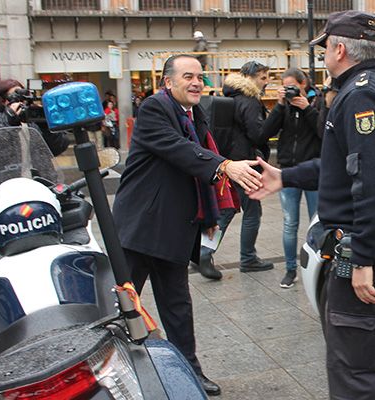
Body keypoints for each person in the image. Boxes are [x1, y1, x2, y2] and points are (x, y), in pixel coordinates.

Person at [249, 11, 375, 399]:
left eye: (324, 49)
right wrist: (285, 177)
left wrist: (361, 258)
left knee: (354, 370)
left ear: (340, 48)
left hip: (362, 247)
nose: (323, 56)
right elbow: (342, 164)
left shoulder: (361, 94)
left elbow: (373, 184)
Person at [111, 54, 264, 396]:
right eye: (187, 76)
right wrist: (225, 166)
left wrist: (209, 216)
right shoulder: (154, 108)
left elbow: (194, 165)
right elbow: (177, 149)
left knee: (178, 309)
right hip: (140, 228)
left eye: (199, 77)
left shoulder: (195, 114)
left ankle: (190, 373)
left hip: (175, 227)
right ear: (168, 82)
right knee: (121, 308)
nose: (197, 82)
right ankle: (113, 375)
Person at [193, 60, 274, 279]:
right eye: (263, 77)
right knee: (251, 212)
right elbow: (258, 134)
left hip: (227, 161)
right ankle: (246, 258)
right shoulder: (249, 101)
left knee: (227, 209)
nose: (266, 82)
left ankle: (202, 252)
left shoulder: (230, 96)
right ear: (250, 78)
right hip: (244, 164)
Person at [259, 67, 322, 288]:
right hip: (287, 172)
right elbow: (264, 133)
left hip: (313, 171)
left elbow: (325, 133)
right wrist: (279, 106)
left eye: (292, 86)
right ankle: (290, 269)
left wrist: (308, 109)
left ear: (303, 84)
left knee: (317, 222)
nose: (289, 90)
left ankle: (318, 267)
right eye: (285, 87)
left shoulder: (318, 102)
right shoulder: (283, 106)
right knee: (289, 223)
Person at [0, 79, 69, 156]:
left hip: (37, 167)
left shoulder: (32, 118)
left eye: (22, 99)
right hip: (6, 167)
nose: (20, 102)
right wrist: (8, 120)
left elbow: (57, 149)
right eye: (15, 98)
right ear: (1, 100)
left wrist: (46, 127)